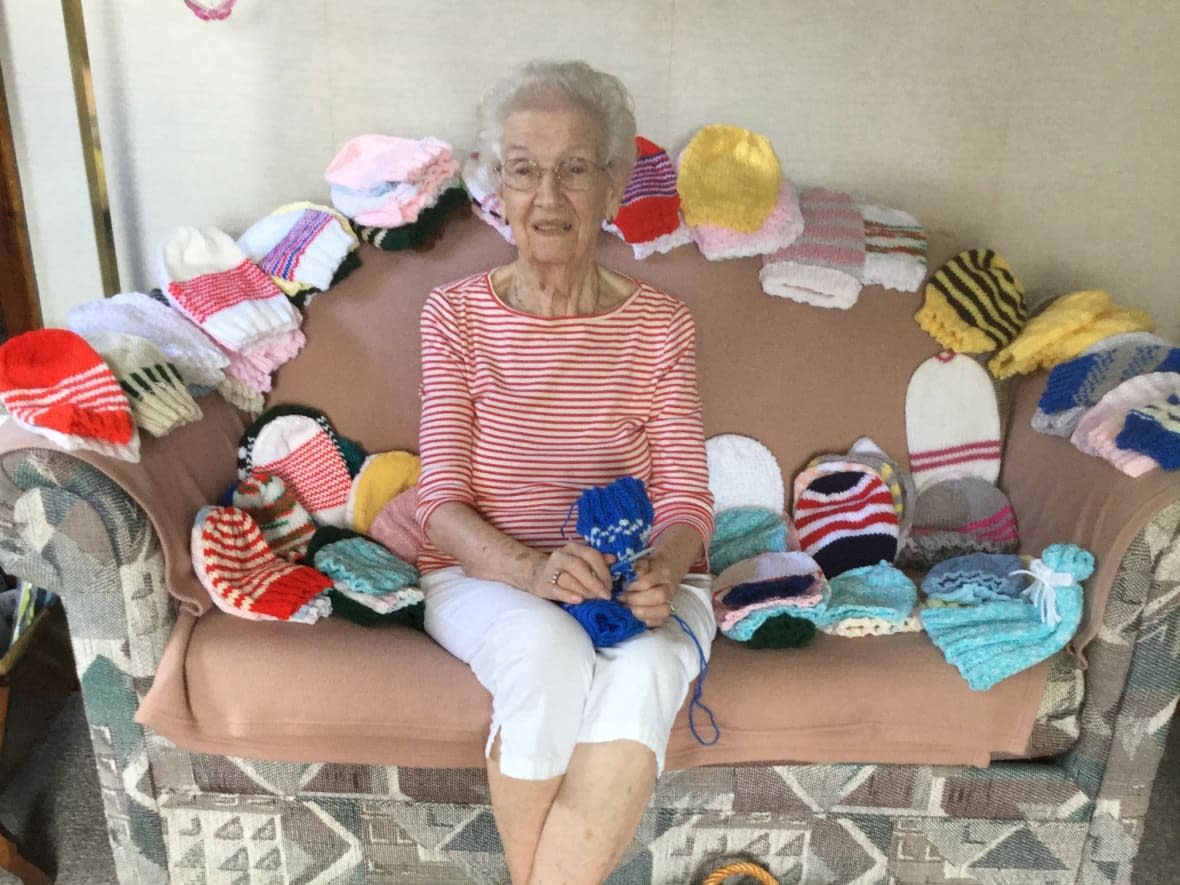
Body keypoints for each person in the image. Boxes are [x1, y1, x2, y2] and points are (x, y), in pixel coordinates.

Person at [416, 59, 715, 885]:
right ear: (497, 189)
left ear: (612, 186)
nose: (548, 196)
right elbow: (439, 502)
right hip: (486, 572)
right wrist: (533, 570)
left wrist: (664, 567)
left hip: (623, 569)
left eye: (574, 168)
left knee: (652, 660)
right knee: (548, 645)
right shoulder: (455, 316)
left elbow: (687, 495)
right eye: (524, 169)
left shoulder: (660, 325)